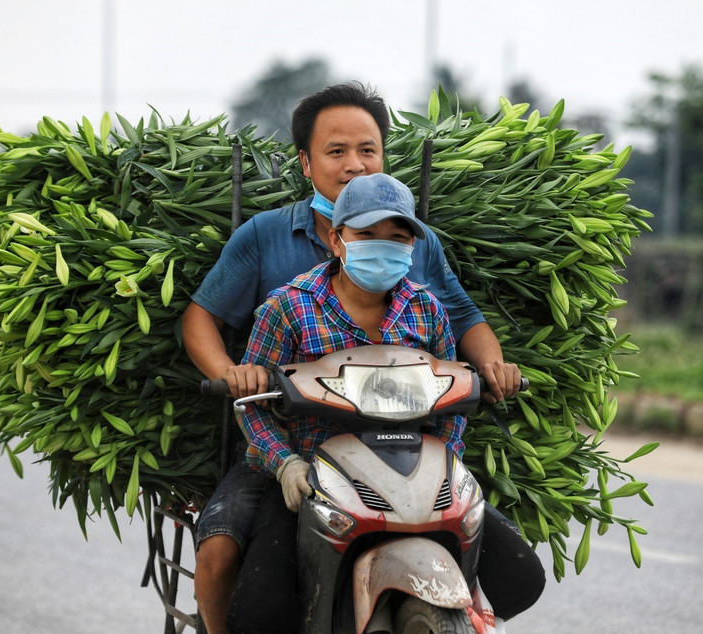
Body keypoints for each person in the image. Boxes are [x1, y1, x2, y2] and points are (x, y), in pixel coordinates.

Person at [181, 83, 541, 633]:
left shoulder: (421, 294)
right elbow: (203, 321)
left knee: (518, 572)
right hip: (301, 452)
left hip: (401, 451)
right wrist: (237, 380)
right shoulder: (282, 279)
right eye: (336, 151)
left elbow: (460, 330)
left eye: (367, 150)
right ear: (338, 240)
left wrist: (489, 371)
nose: (353, 164)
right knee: (235, 568)